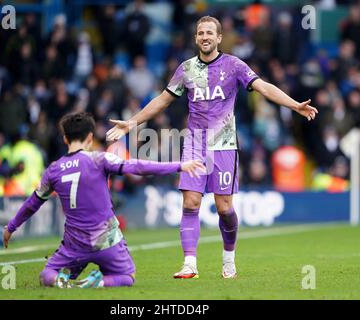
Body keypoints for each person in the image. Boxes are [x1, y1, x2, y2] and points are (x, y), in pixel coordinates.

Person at [106, 16, 318, 279]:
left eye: (209, 33)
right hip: (195, 144)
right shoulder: (185, 69)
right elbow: (163, 100)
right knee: (191, 202)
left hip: (224, 145)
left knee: (224, 208)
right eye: (200, 33)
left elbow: (263, 87)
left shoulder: (234, 65)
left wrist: (294, 105)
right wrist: (132, 123)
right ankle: (190, 265)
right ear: (196, 38)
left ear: (219, 38)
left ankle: (228, 259)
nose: (205, 37)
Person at [3, 112, 204, 288]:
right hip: (105, 242)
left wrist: (11, 227)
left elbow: (33, 203)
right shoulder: (99, 159)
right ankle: (98, 283)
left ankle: (62, 282)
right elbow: (138, 167)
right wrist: (179, 166)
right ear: (90, 137)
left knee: (47, 275)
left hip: (74, 245)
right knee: (127, 276)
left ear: (65, 138)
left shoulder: (53, 170)